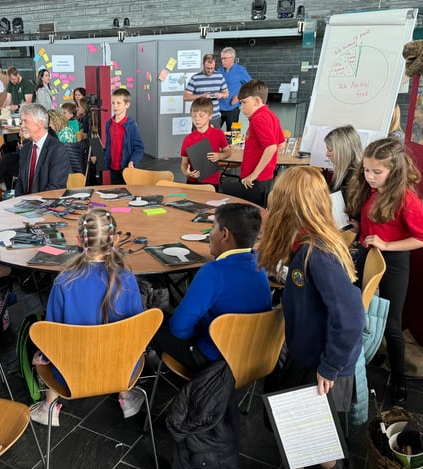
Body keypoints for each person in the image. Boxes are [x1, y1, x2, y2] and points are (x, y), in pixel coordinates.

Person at [256, 167, 364, 469]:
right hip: (309, 352)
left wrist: (330, 366)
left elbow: (351, 319)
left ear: (292, 208)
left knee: (308, 427)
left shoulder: (318, 255)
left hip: (325, 364)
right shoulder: (309, 244)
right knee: (294, 422)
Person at [29, 208, 145, 426]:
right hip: (121, 371)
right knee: (123, 342)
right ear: (116, 239)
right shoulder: (127, 278)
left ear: (78, 240)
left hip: (71, 373)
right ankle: (127, 397)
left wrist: (41, 356)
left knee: (50, 350)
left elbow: (52, 334)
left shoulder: (64, 281)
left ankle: (49, 408)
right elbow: (137, 332)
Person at [345, 138, 423, 405]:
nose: (370, 177)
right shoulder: (373, 190)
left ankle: (398, 378)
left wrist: (387, 245)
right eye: (367, 170)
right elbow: (376, 223)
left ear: (394, 170)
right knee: (357, 309)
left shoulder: (407, 198)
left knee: (393, 324)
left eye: (376, 172)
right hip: (367, 254)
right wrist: (360, 228)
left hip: (394, 261)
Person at [156, 203, 271, 373]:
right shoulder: (259, 263)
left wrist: (193, 334)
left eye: (213, 227)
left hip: (214, 360)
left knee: (150, 323)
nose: (210, 234)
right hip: (254, 356)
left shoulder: (213, 272)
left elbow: (179, 328)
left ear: (225, 234)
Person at [220, 80, 284, 208]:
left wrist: (254, 174)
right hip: (265, 179)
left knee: (218, 191)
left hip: (254, 180)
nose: (241, 107)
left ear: (256, 101)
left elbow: (271, 147)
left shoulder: (259, 119)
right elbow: (281, 143)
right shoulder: (271, 115)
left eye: (244, 102)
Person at [15, 103, 70, 196]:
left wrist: (33, 203)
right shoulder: (26, 148)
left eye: (25, 121)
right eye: (22, 122)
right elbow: (20, 183)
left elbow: (56, 187)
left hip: (45, 205)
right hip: (25, 204)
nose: (22, 126)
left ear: (41, 123)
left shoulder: (57, 149)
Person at [179, 97, 230, 191]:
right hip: (193, 181)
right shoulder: (188, 139)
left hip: (212, 181)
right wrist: (187, 173)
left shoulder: (218, 134)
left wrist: (220, 155)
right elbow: (184, 162)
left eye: (201, 115)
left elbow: (227, 151)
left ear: (210, 116)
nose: (197, 119)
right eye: (194, 116)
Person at [103, 88, 144, 185]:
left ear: (127, 105)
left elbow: (139, 148)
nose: (115, 106)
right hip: (113, 168)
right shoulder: (109, 123)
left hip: (127, 168)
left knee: (127, 195)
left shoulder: (131, 125)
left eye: (118, 103)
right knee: (115, 194)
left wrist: (133, 161)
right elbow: (108, 145)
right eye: (113, 103)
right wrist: (103, 158)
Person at [183, 53, 229, 129]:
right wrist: (201, 96)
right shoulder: (195, 78)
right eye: (208, 68)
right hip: (199, 118)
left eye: (212, 68)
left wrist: (221, 95)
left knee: (215, 140)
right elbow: (185, 97)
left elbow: (226, 93)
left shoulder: (220, 76)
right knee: (199, 141)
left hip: (215, 117)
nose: (210, 70)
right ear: (203, 64)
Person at [218, 47, 252, 131]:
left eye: (225, 58)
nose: (222, 61)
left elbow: (251, 86)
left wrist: (239, 97)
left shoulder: (241, 70)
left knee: (233, 136)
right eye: (221, 58)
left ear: (232, 58)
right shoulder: (219, 70)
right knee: (213, 135)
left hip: (233, 108)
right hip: (218, 108)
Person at [324, 125, 362, 194]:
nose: (327, 154)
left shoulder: (351, 178)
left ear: (343, 151)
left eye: (330, 150)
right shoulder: (343, 172)